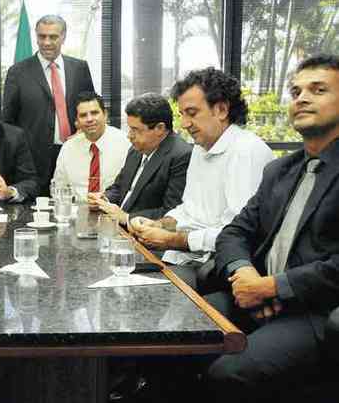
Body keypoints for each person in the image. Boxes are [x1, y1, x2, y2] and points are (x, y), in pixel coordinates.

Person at [206, 54, 339, 403]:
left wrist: (274, 287)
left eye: (318, 89)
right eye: (295, 91)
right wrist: (245, 274)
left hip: (316, 310)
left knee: (228, 374)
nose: (302, 98)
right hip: (253, 295)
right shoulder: (281, 171)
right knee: (177, 333)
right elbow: (234, 233)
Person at [129, 67, 274, 290]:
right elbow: (189, 210)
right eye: (182, 115)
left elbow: (236, 235)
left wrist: (171, 239)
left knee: (138, 292)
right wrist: (158, 224)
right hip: (183, 257)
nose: (185, 123)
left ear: (222, 109)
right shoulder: (200, 147)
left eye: (192, 113)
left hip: (216, 269)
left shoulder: (247, 151)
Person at [3, 14, 95, 195]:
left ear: (63, 37)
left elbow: (90, 106)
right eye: (41, 36)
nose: (46, 42)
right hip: (32, 159)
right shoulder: (18, 72)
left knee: (71, 208)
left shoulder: (80, 68)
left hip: (75, 152)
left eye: (53, 37)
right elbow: (8, 120)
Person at [91, 93, 192, 225]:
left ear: (160, 129)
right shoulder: (136, 150)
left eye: (135, 130)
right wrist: (104, 198)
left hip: (145, 236)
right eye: (129, 129)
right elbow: (119, 187)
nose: (129, 136)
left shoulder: (181, 155)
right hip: (116, 226)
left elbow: (172, 211)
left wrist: (126, 217)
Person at [52, 91, 130, 199]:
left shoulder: (126, 143)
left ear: (105, 114)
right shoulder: (68, 148)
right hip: (78, 211)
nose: (89, 119)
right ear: (77, 121)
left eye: (94, 113)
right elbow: (59, 188)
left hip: (113, 209)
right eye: (83, 115)